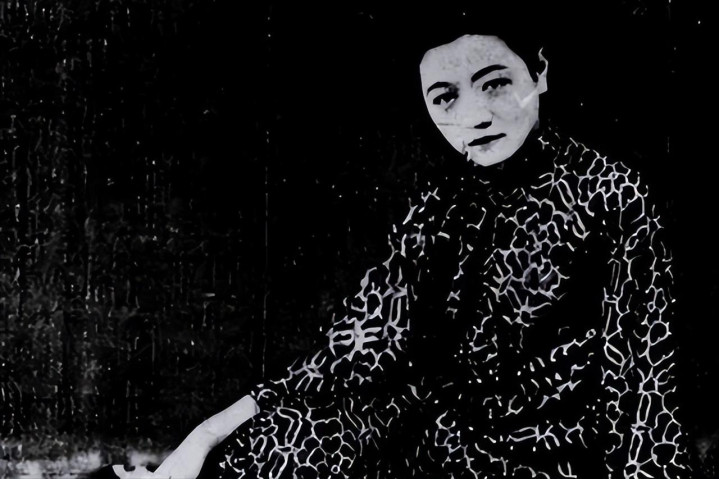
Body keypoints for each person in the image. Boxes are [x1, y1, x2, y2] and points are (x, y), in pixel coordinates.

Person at [97, 13, 692, 479]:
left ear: (539, 72)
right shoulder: (439, 202)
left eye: (495, 84)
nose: (475, 116)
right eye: (445, 97)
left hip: (553, 452)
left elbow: (645, 375)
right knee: (263, 450)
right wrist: (205, 434)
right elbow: (361, 344)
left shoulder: (611, 194)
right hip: (435, 436)